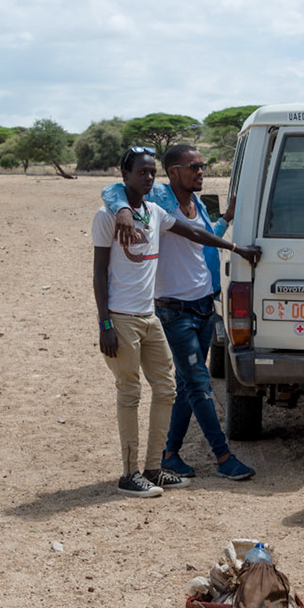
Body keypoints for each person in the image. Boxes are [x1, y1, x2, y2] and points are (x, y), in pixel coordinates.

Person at [93, 147, 260, 498]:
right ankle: (212, 458)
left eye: (151, 172)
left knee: (174, 388)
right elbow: (111, 198)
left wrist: (233, 244)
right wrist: (104, 323)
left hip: (175, 310)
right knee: (163, 388)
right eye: (195, 167)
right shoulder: (131, 207)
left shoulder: (166, 210)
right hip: (151, 312)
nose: (148, 178)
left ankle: (162, 462)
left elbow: (197, 234)